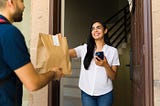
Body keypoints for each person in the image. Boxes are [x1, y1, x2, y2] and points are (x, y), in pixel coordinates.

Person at [0, 0, 63, 106]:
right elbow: (33, 83)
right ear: (11, 2)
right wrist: (54, 73)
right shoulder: (9, 33)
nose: (24, 6)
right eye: (21, 1)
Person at [69, 21, 120, 106]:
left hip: (105, 94)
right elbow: (66, 53)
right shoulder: (84, 49)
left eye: (98, 27)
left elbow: (113, 76)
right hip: (87, 93)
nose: (95, 30)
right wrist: (59, 42)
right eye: (93, 29)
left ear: (105, 31)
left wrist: (105, 65)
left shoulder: (113, 51)